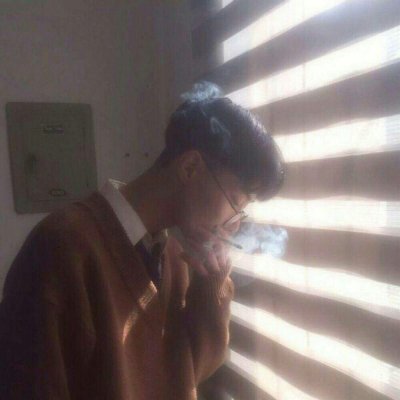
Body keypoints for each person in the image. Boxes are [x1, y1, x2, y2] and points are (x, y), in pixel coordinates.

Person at [0, 83, 284, 399]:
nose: (234, 224)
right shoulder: (62, 246)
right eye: (236, 202)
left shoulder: (172, 255)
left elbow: (185, 376)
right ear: (190, 168)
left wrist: (210, 289)